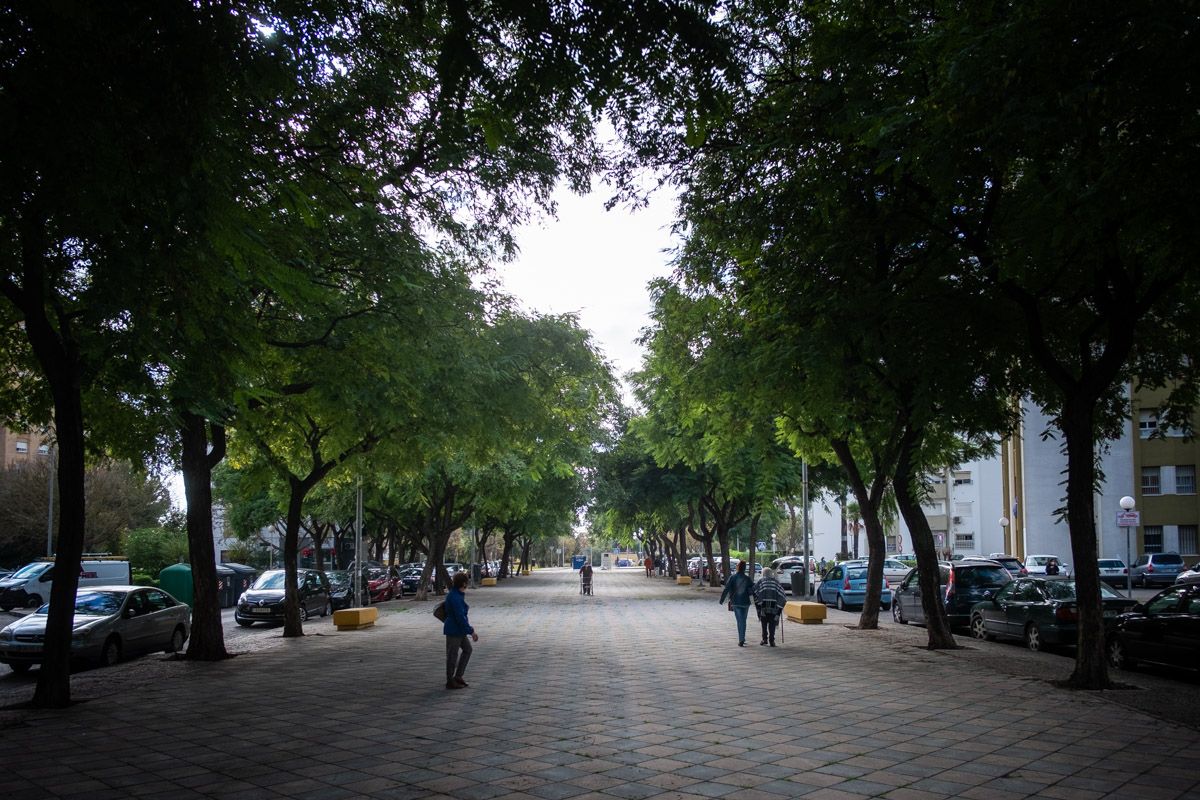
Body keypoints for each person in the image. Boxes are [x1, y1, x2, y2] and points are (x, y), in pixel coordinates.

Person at [443, 571, 478, 689]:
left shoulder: (457, 594)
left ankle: (458, 675)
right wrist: (471, 631)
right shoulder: (455, 597)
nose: (467, 585)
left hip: (459, 630)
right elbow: (460, 617)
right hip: (454, 630)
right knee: (452, 656)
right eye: (466, 583)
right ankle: (450, 680)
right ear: (463, 583)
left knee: (468, 650)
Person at [719, 560, 755, 646]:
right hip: (746, 602)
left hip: (735, 602)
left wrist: (722, 599)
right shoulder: (747, 578)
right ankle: (742, 638)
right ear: (745, 568)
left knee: (740, 620)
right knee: (743, 620)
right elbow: (753, 588)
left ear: (738, 567)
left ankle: (741, 639)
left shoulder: (732, 577)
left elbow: (726, 588)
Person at [753, 567, 787, 647]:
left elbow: (755, 591)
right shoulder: (776, 582)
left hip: (763, 607)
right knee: (772, 624)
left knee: (764, 624)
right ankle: (772, 640)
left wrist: (759, 603)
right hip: (774, 607)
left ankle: (764, 639)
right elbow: (782, 595)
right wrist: (779, 606)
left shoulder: (761, 581)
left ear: (763, 573)